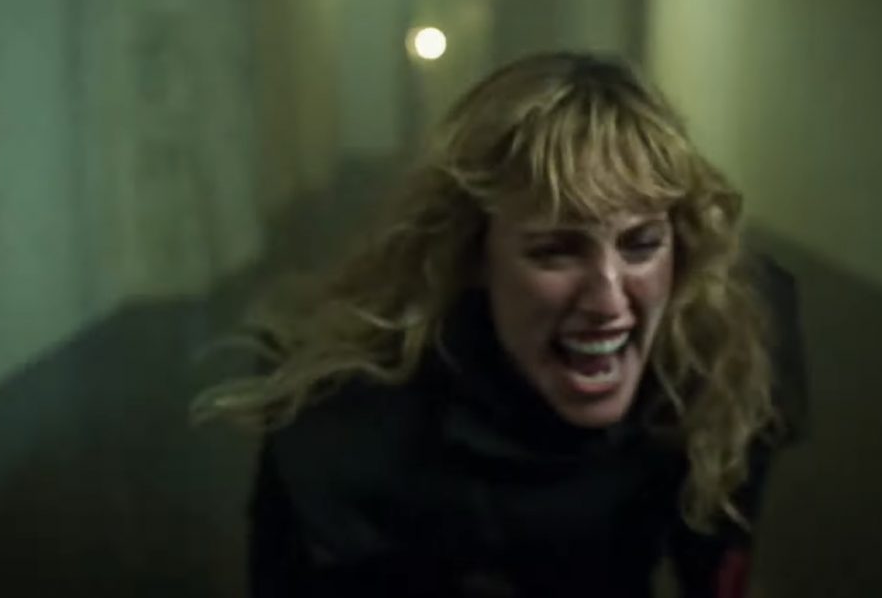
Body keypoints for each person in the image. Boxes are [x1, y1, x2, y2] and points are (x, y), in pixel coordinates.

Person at [194, 51, 806, 597]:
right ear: (473, 256)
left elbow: (718, 549)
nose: (608, 299)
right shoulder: (348, 432)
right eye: (555, 251)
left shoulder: (732, 344)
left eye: (642, 244)